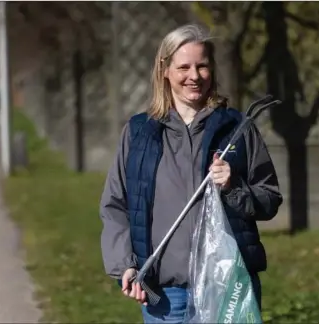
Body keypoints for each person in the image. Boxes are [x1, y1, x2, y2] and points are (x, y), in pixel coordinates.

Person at [99, 23, 282, 323]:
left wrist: (234, 187)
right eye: (184, 67)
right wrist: (124, 265)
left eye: (202, 66)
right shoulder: (138, 132)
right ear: (164, 70)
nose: (194, 76)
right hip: (165, 298)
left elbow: (270, 198)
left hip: (227, 290)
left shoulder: (237, 129)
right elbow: (115, 205)